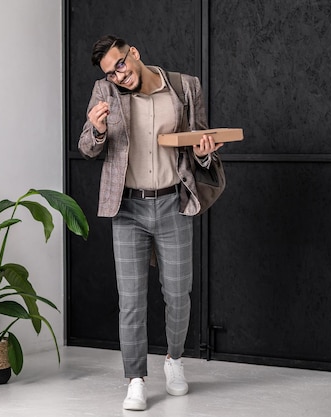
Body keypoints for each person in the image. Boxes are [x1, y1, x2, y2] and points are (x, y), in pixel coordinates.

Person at [78, 35, 223, 411]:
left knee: (178, 294)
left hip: (173, 201)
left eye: (120, 66)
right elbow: (87, 148)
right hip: (127, 208)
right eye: (110, 72)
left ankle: (175, 360)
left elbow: (199, 144)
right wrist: (95, 129)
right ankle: (136, 379)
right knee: (131, 300)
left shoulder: (185, 86)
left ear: (134, 54)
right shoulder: (103, 91)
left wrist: (205, 155)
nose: (117, 76)